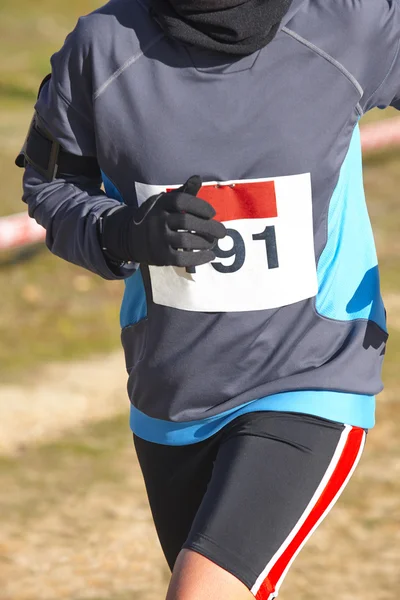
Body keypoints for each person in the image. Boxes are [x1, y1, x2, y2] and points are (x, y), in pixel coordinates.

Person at [16, 0, 399, 598]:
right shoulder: (103, 46)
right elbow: (52, 186)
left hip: (310, 374)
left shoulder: (349, 21)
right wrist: (123, 233)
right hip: (172, 396)